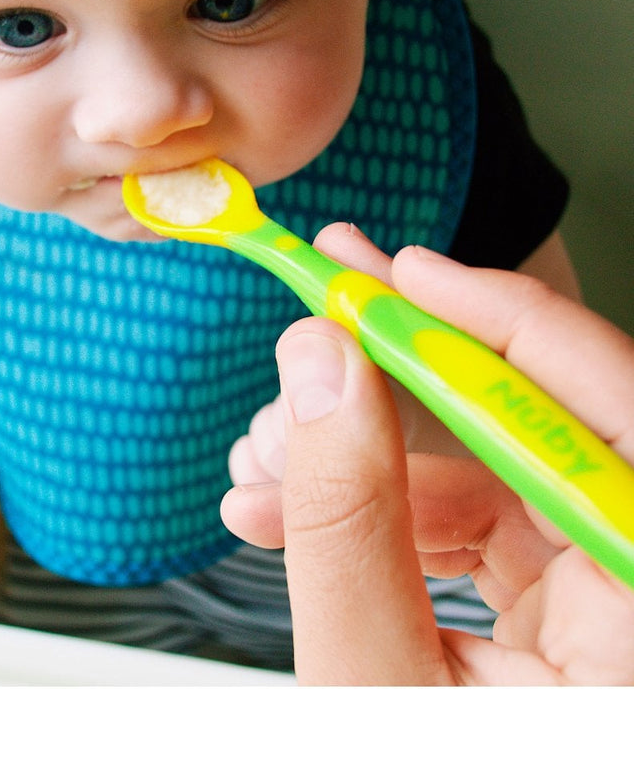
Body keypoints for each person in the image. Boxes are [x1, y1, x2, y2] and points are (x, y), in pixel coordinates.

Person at [0, 0, 579, 671]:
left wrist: (418, 419)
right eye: (21, 28)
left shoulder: (428, 115)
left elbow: (550, 395)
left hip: (434, 572)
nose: (140, 112)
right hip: (95, 571)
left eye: (231, 2)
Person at [222, 223, 634, 684]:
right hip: (201, 600)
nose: (139, 143)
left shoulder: (498, 195)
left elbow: (555, 402)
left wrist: (423, 426)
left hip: (466, 600)